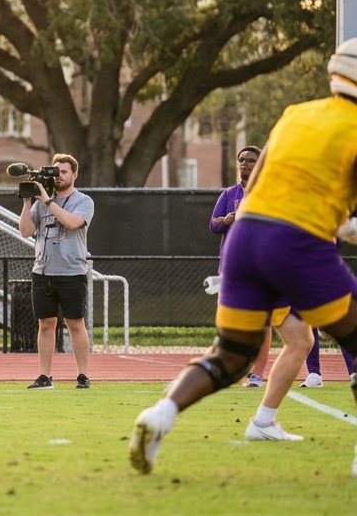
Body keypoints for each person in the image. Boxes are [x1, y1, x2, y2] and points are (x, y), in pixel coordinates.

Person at [129, 39, 357, 476]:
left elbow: (256, 188)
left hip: (244, 237)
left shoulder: (296, 115)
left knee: (231, 355)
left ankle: (161, 414)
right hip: (296, 241)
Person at [18, 154, 94, 389]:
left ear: (74, 174)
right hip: (43, 271)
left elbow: (72, 223)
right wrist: (28, 202)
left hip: (72, 271)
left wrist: (48, 201)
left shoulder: (84, 200)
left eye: (63, 172)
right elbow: (25, 231)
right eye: (56, 172)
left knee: (75, 323)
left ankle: (82, 375)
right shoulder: (42, 203)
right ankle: (44, 376)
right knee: (46, 324)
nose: (58, 176)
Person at [209, 146, 270, 387]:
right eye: (242, 159)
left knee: (262, 323)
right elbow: (213, 225)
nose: (245, 163)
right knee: (228, 321)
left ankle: (257, 373)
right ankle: (230, 367)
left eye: (251, 160)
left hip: (260, 268)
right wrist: (226, 220)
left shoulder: (268, 193)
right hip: (231, 268)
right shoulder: (228, 194)